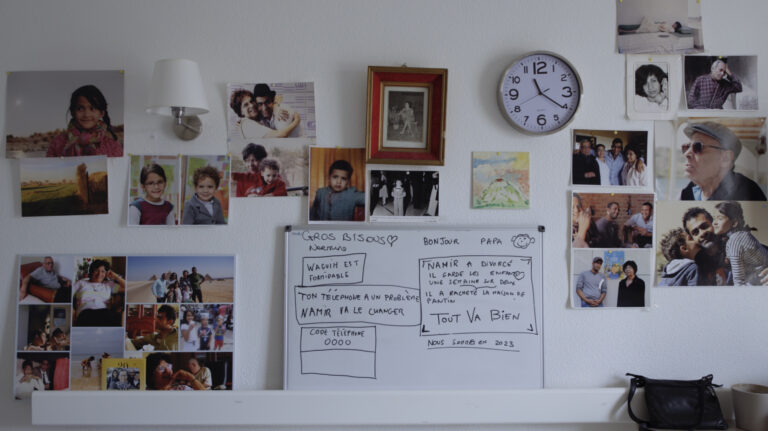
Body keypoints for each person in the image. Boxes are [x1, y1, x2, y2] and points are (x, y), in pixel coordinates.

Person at [680, 122, 766, 201]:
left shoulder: (749, 194)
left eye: (697, 147)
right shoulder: (688, 192)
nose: (686, 154)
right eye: (686, 147)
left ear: (726, 159)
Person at [46, 85, 122, 157]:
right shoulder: (57, 143)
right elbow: (48, 166)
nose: (86, 114)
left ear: (101, 113)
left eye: (92, 108)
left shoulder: (112, 146)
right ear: (72, 112)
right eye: (80, 109)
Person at [713, 201, 768, 285]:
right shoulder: (742, 235)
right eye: (714, 218)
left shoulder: (735, 240)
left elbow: (739, 281)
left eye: (720, 218)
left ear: (734, 223)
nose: (714, 222)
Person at [683, 207, 730, 286]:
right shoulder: (693, 265)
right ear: (691, 238)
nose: (702, 233)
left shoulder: (733, 246)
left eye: (705, 226)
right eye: (695, 232)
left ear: (714, 223)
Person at [229, 89, 300, 139]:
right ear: (240, 112)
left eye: (251, 101)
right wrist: (296, 120)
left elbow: (277, 98)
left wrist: (276, 107)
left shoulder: (258, 119)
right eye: (245, 105)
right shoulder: (247, 125)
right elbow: (281, 135)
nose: (251, 105)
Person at [72, 259, 124, 326]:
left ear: (106, 274)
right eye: (96, 270)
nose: (99, 274)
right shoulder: (81, 283)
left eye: (103, 271)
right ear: (92, 271)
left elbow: (127, 288)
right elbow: (68, 293)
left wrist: (116, 276)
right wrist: (72, 309)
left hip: (104, 313)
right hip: (85, 313)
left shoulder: (109, 285)